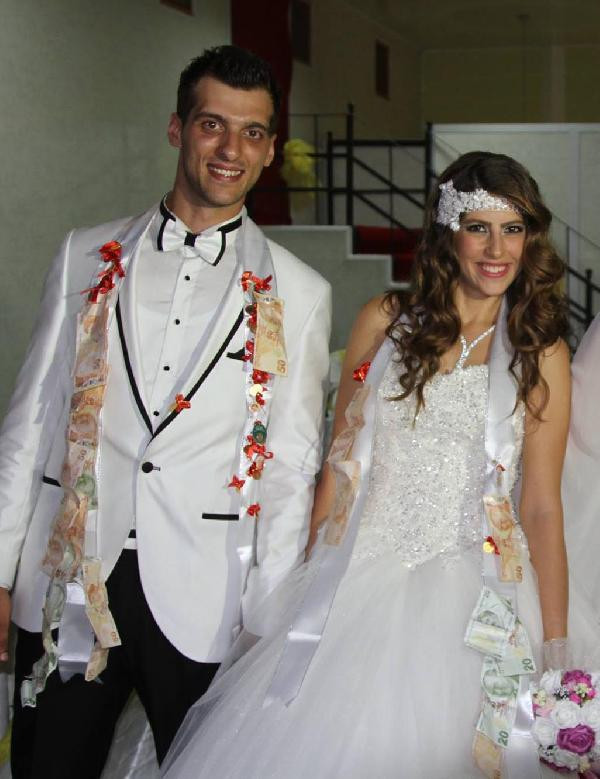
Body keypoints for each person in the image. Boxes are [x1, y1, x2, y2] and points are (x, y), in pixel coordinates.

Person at [161, 151, 600, 779]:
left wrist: (554, 645)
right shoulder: (384, 321)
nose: (496, 249)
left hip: (483, 588)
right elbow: (341, 467)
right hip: (359, 577)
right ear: (448, 233)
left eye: (512, 229)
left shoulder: (540, 351)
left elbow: (540, 507)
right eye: (478, 228)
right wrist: (300, 579)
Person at [0, 45, 331, 779]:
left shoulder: (301, 292)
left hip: (206, 597)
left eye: (251, 132)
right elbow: (29, 421)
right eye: (213, 124)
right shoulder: (82, 254)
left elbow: (289, 467)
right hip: (69, 579)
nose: (230, 149)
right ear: (177, 128)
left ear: (270, 149)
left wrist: (267, 618)